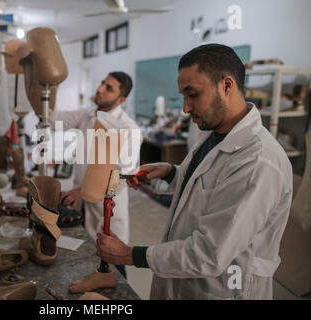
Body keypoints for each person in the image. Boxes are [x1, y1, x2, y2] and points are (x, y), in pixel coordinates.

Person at [95, 44, 293, 299]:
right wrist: (170, 172)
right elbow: (207, 188)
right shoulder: (214, 134)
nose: (186, 108)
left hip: (223, 289)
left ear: (227, 85)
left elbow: (211, 253)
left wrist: (128, 254)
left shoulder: (259, 162)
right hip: (184, 281)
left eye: (193, 94)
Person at [51, 71, 141, 278]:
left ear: (121, 99)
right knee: (85, 265)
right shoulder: (87, 115)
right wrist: (51, 86)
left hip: (107, 212)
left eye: (109, 88)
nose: (100, 89)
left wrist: (82, 191)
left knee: (113, 270)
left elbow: (124, 177)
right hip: (81, 207)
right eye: (102, 83)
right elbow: (53, 119)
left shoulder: (129, 129)